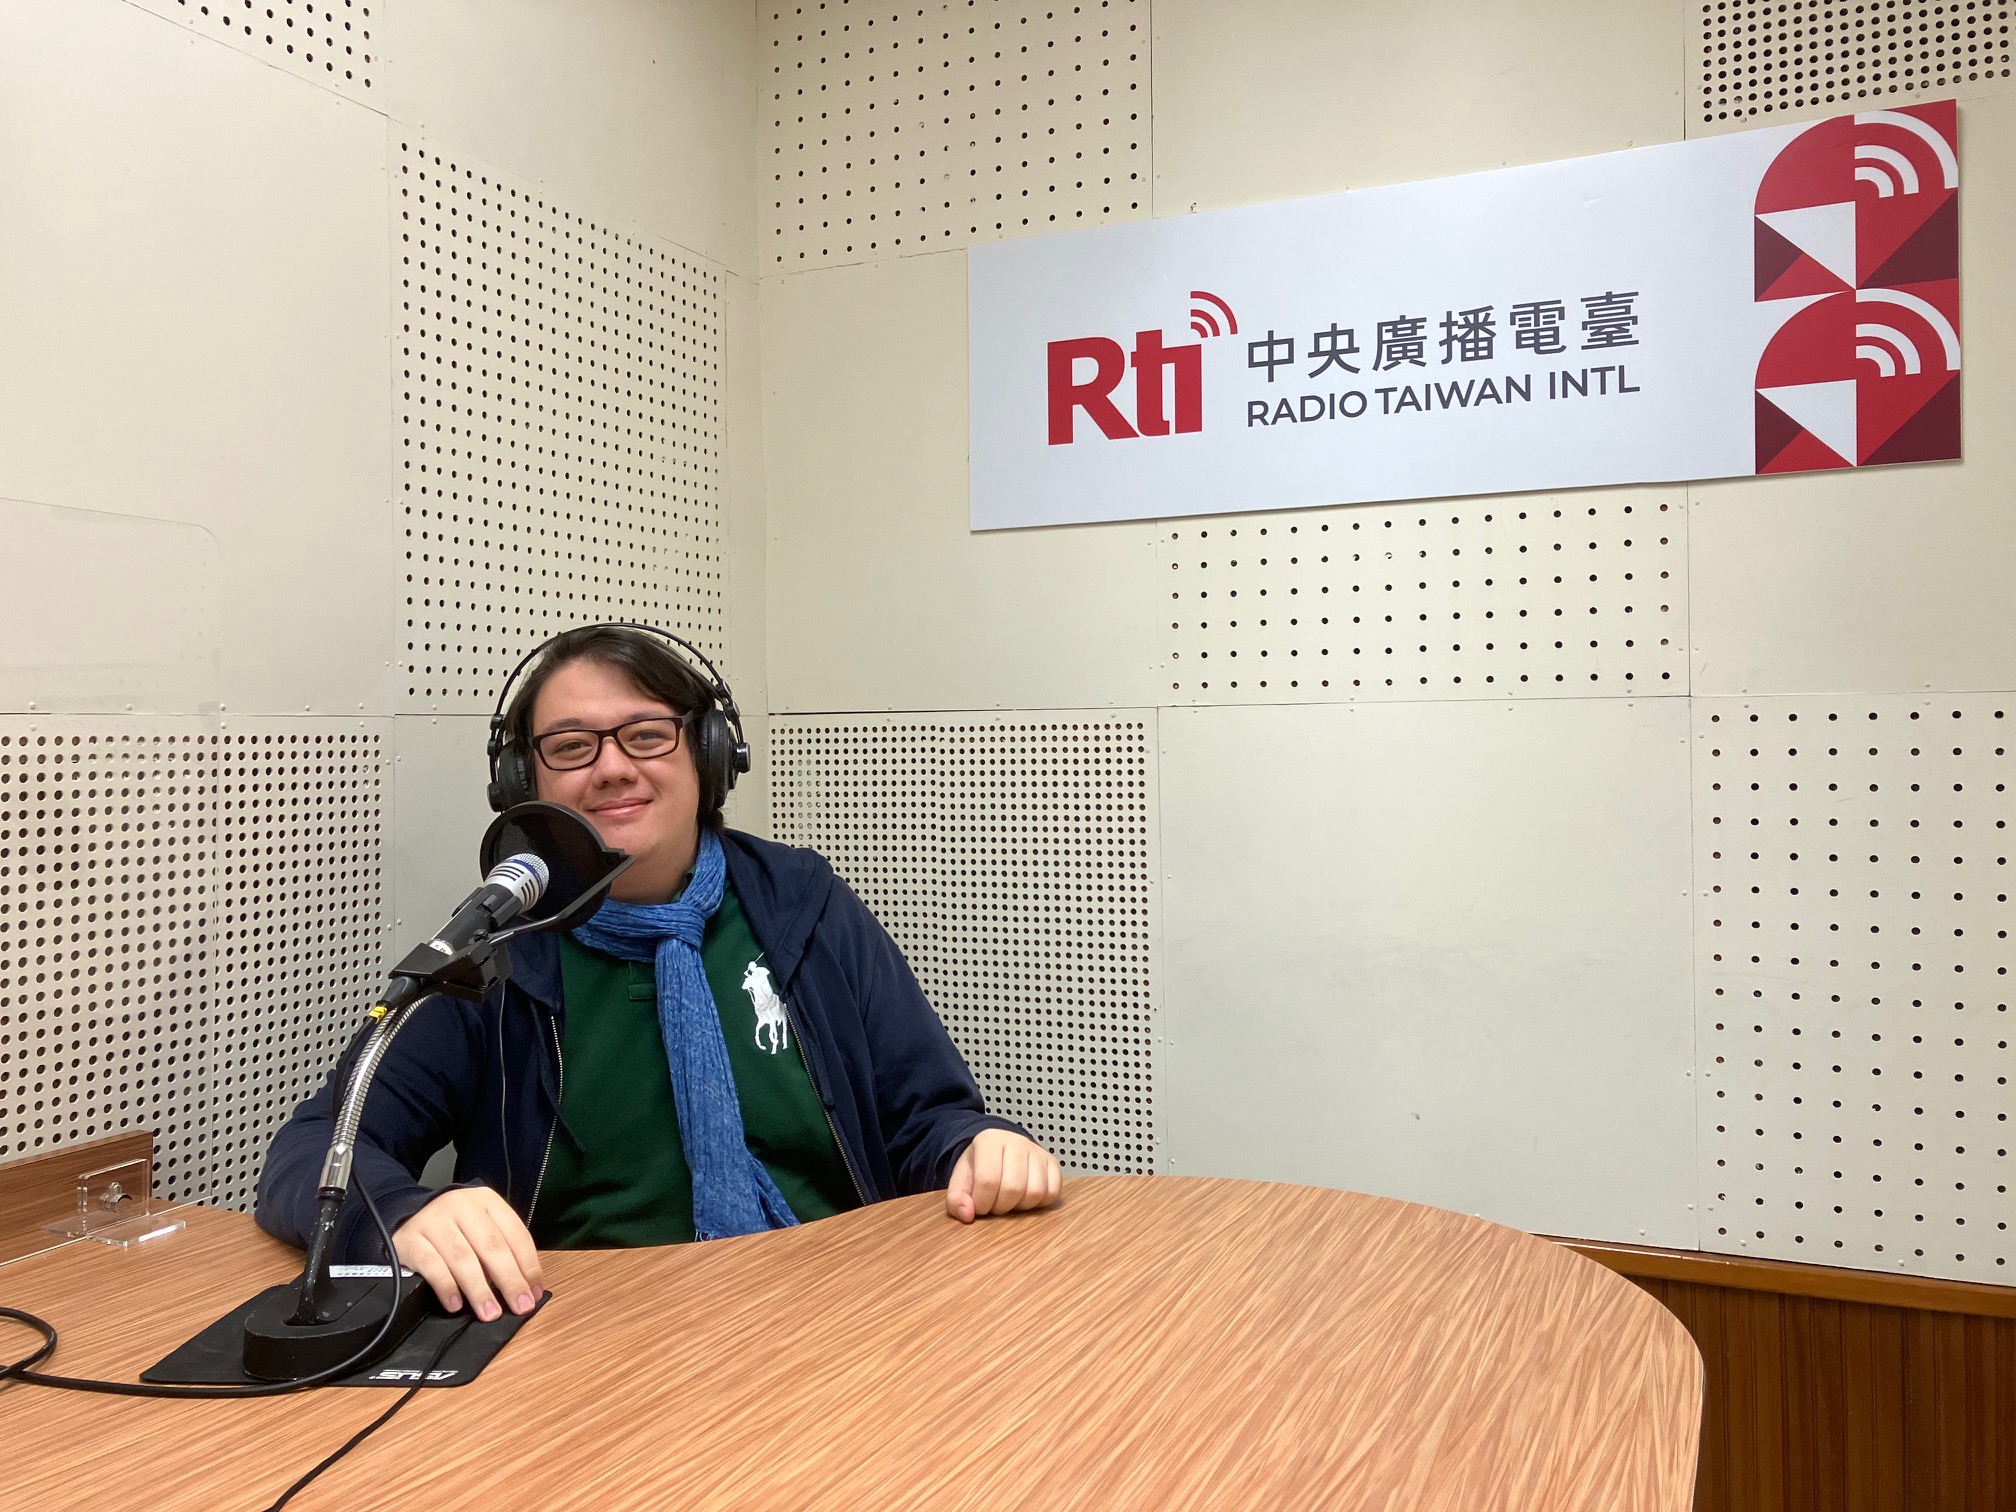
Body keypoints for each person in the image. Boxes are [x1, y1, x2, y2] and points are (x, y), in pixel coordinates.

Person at [256, 625, 1062, 1323]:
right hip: (586, 1343)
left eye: (646, 734)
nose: (611, 768)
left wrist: (977, 1146)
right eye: (572, 746)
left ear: (708, 754)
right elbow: (313, 1152)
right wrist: (401, 1213)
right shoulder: (500, 943)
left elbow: (929, 1117)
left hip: (846, 1311)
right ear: (522, 782)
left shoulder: (800, 905)